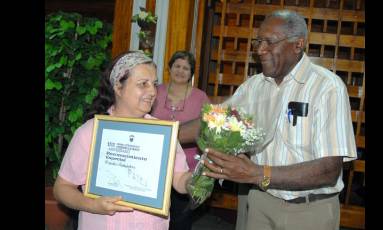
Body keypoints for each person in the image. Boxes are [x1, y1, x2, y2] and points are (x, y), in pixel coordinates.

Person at [179, 10, 357, 230]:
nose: (260, 50)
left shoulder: (327, 88)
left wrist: (257, 173)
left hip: (309, 211)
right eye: (258, 41)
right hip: (260, 204)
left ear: (297, 44)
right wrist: (164, 134)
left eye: (269, 42)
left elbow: (329, 170)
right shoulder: (255, 85)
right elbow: (213, 121)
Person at [53, 51, 192, 230]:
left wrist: (199, 180)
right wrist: (93, 205)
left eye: (154, 84)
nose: (153, 92)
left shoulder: (163, 133)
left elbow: (180, 180)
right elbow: (62, 188)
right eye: (143, 84)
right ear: (118, 87)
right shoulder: (91, 132)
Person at [150, 51, 210, 230]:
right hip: (155, 165)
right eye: (177, 66)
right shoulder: (155, 91)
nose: (181, 71)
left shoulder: (200, 97)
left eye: (186, 68)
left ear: (191, 73)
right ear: (169, 68)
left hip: (186, 167)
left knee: (180, 220)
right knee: (154, 216)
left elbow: (208, 130)